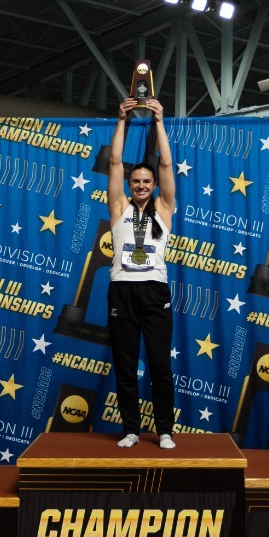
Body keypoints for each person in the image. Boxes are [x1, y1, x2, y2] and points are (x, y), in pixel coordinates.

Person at [106, 97, 177, 449]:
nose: (141, 185)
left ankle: (164, 429)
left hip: (154, 290)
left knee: (160, 364)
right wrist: (122, 120)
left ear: (153, 184)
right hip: (122, 290)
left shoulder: (164, 207)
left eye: (147, 180)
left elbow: (166, 162)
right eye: (136, 180)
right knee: (125, 364)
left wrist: (160, 121)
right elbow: (115, 161)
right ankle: (131, 429)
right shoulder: (118, 206)